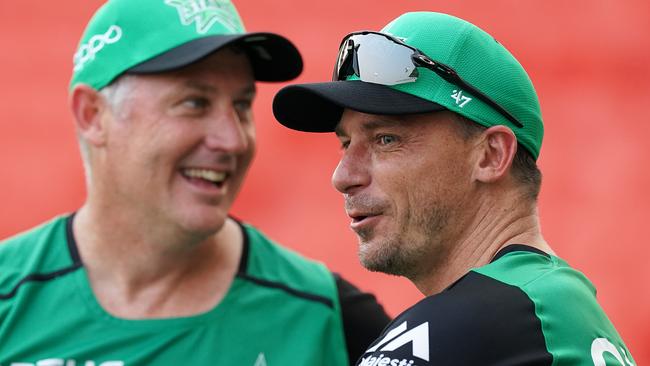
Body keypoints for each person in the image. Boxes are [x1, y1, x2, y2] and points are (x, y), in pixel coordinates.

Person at [0, 0, 390, 364]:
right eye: (194, 103)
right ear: (93, 116)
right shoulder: (9, 297)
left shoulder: (329, 319)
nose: (233, 140)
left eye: (241, 106)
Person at [273, 11, 636, 366]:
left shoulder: (450, 335)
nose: (343, 176)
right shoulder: (564, 306)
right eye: (345, 143)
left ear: (490, 156)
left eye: (385, 139)